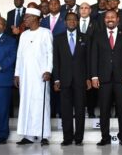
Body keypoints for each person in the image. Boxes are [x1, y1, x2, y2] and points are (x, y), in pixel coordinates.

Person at [91, 10, 122, 146]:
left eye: (113, 17)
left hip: (121, 78)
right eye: (108, 17)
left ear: (118, 19)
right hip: (103, 78)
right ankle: (105, 137)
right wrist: (94, 76)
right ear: (104, 20)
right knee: (104, 109)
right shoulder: (97, 36)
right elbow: (94, 58)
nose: (110, 19)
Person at [14, 8, 53, 145]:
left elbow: (50, 53)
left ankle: (44, 135)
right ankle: (28, 135)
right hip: (25, 76)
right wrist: (17, 74)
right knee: (26, 104)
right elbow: (19, 55)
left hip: (40, 75)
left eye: (27, 17)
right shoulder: (24, 35)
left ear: (35, 18)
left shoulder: (45, 33)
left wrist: (48, 70)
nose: (25, 20)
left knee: (41, 104)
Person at [53, 12, 91, 146]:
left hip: (81, 80)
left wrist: (88, 78)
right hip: (64, 80)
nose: (72, 22)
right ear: (65, 22)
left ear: (78, 22)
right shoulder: (58, 38)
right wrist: (56, 79)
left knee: (80, 110)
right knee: (66, 111)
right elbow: (56, 61)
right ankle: (67, 138)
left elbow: (88, 60)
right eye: (69, 20)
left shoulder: (85, 38)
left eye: (74, 20)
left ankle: (79, 138)